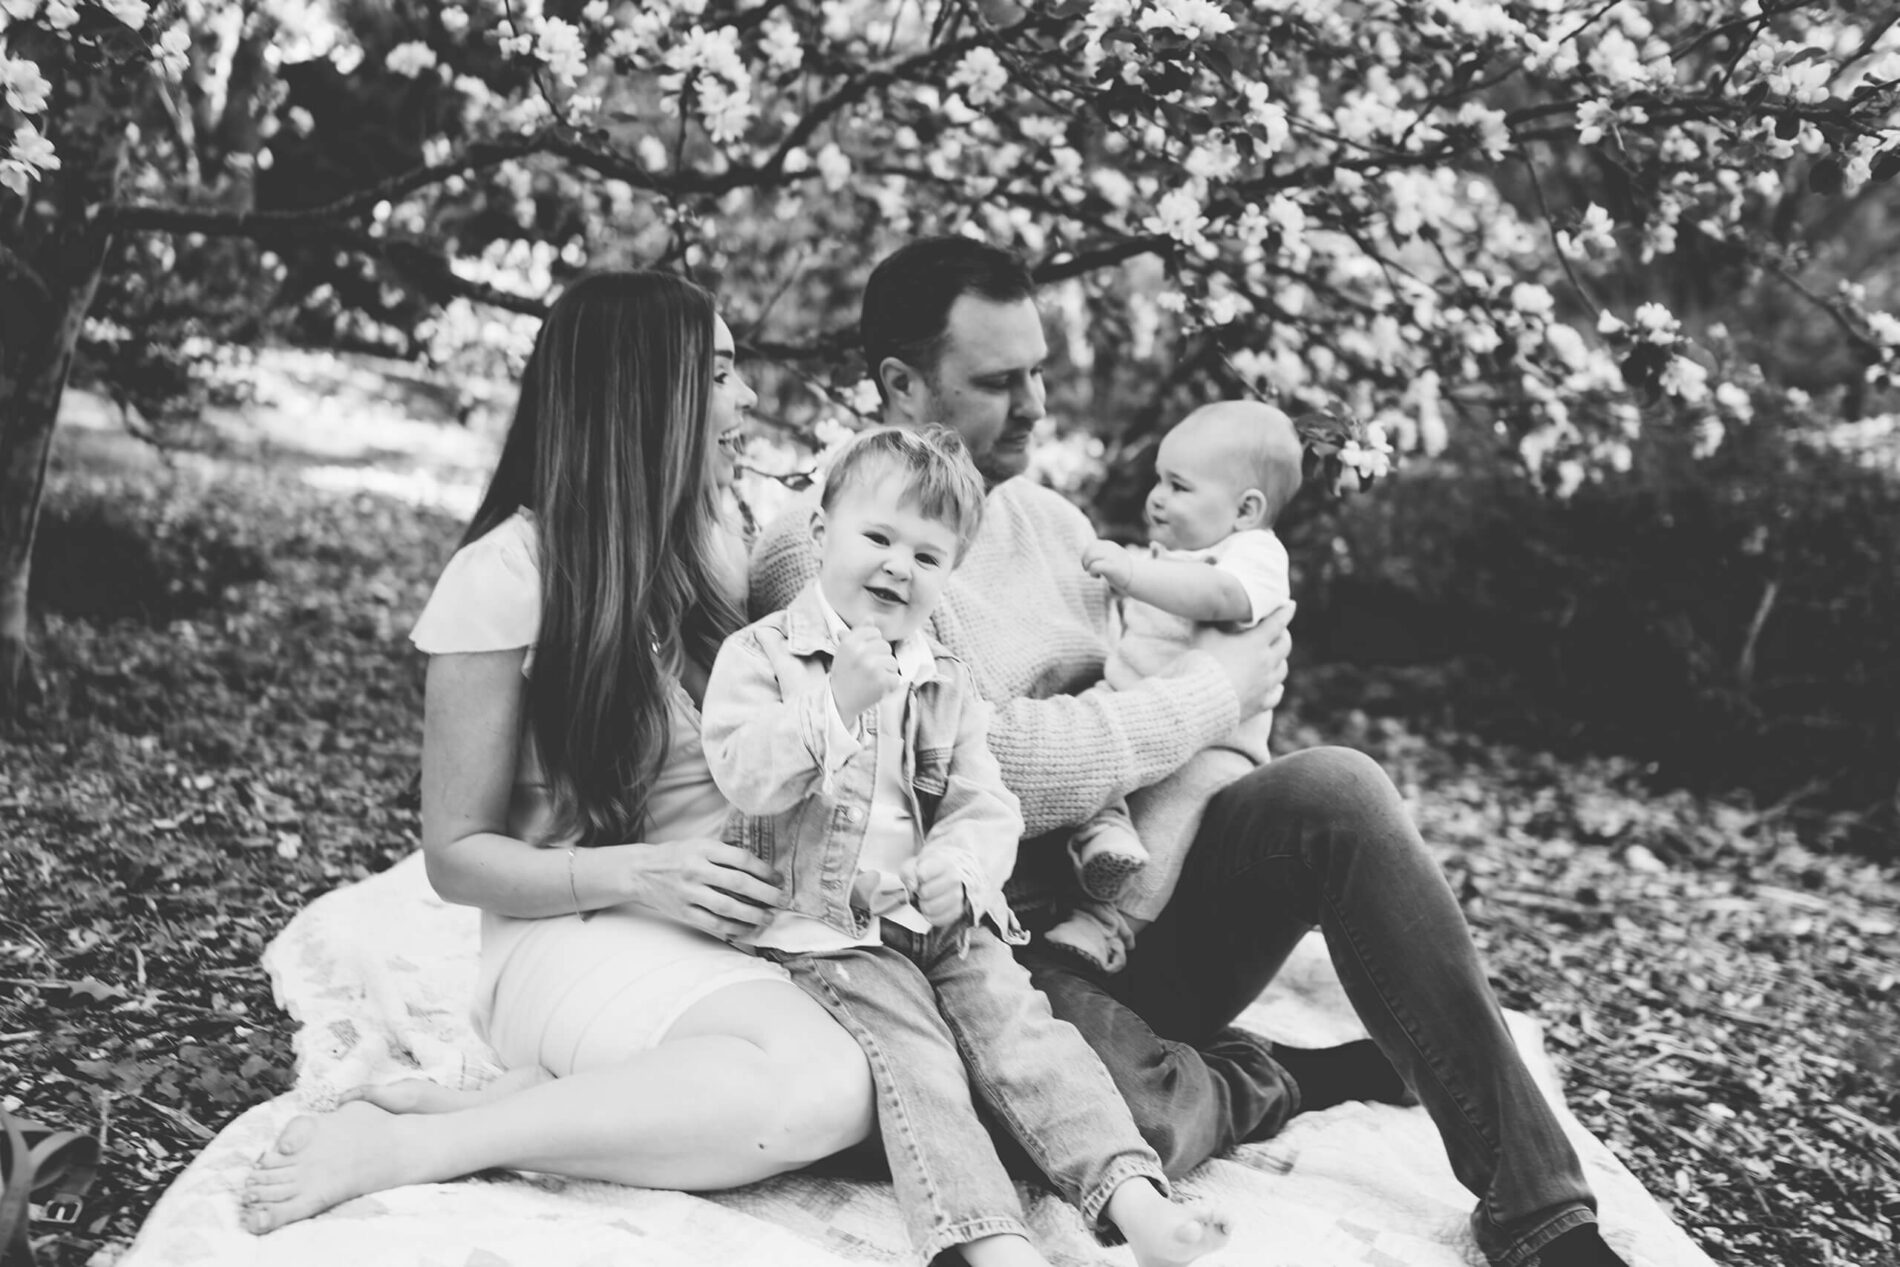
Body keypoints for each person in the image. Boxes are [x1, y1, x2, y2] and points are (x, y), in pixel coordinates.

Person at [749, 236, 1632, 1267]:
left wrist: (1217, 700)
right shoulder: (821, 543)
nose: (1037, 402)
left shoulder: (1050, 520)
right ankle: (1280, 1076)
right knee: (1116, 1128)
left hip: (1129, 907)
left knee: (1336, 788)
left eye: (1038, 367)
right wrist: (1216, 693)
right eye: (999, 381)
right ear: (900, 383)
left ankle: (1542, 1213)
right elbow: (969, 765)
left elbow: (1138, 695)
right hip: (971, 953)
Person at [237, 271, 879, 1234]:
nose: (746, 402)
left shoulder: (712, 547)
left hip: (707, 926)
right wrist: (646, 875)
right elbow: (458, 859)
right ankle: (420, 1146)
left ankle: (508, 1110)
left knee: (891, 1068)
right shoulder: (502, 578)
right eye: (718, 375)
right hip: (565, 932)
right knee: (824, 1082)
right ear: (642, 394)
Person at [701, 425, 1230, 1267]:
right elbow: (745, 774)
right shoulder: (763, 656)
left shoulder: (943, 676)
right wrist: (832, 703)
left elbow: (985, 802)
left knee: (1029, 1034)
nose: (898, 566)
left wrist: (964, 867)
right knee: (922, 1064)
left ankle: (1137, 1206)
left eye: (928, 554)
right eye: (877, 537)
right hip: (829, 928)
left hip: (940, 915)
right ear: (819, 533)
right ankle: (991, 1244)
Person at [1044, 400, 1304, 974]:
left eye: (1179, 486)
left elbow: (1217, 598)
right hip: (1133, 704)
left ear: (1246, 509)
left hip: (1212, 749)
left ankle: (1107, 927)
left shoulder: (1253, 556)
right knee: (1082, 749)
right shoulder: (1170, 557)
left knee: (1166, 818)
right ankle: (1105, 835)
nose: (1156, 497)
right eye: (1159, 480)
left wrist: (1135, 577)